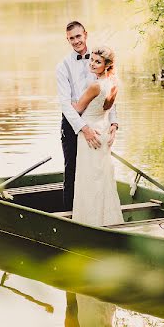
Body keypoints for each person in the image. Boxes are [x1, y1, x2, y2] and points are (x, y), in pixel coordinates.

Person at [56, 21, 119, 211]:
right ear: (67, 40)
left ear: (85, 34)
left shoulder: (99, 58)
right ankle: (71, 214)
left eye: (78, 36)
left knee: (97, 170)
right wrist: (84, 128)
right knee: (73, 171)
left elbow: (109, 95)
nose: (76, 41)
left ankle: (97, 212)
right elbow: (66, 105)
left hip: (98, 123)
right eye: (71, 38)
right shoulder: (63, 66)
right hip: (73, 124)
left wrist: (114, 123)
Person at [70, 46, 124, 227]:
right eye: (92, 60)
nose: (92, 64)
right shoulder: (114, 82)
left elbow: (77, 108)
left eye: (97, 62)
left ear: (107, 65)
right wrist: (114, 125)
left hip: (90, 133)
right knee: (101, 179)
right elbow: (108, 108)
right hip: (103, 129)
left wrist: (66, 99)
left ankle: (89, 222)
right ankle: (107, 221)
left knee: (88, 179)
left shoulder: (95, 85)